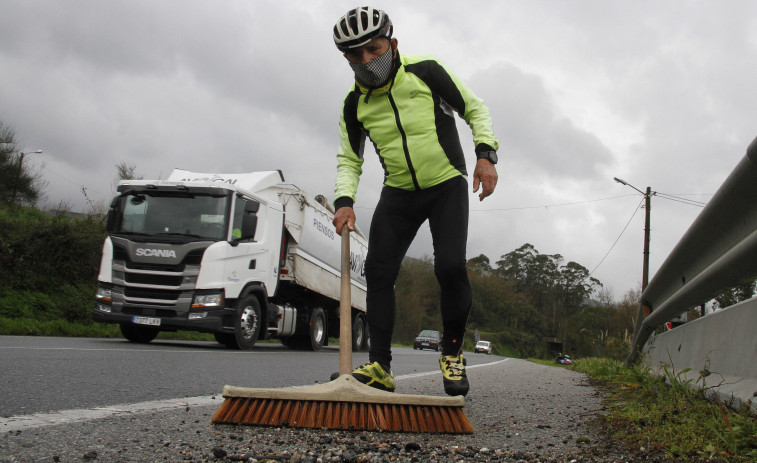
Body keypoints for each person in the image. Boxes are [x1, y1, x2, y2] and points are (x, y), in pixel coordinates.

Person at [330, 6, 499, 397]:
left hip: (446, 184)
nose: (367, 61)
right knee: (377, 271)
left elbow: (475, 109)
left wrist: (486, 155)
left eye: (374, 49)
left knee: (451, 267)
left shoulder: (426, 71)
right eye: (355, 55)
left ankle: (453, 353)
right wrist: (344, 200)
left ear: (393, 42)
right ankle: (381, 367)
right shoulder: (354, 104)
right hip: (399, 192)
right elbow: (349, 158)